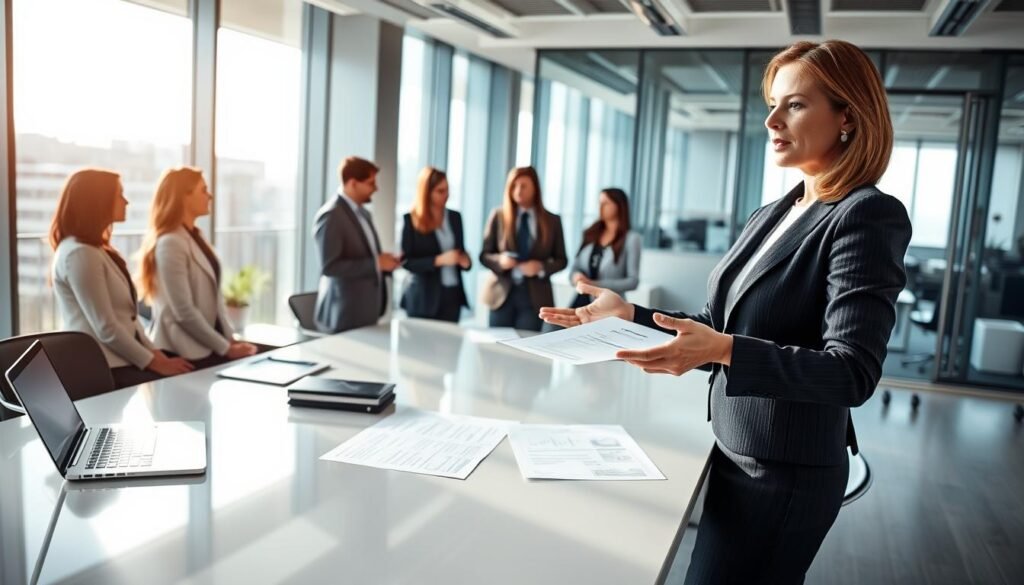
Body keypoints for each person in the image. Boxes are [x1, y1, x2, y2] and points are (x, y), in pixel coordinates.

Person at [541, 40, 912, 584]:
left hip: (784, 475)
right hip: (736, 453)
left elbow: (851, 371)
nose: (771, 119)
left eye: (795, 105)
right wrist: (627, 314)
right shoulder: (775, 212)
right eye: (772, 103)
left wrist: (726, 350)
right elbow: (717, 324)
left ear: (848, 118)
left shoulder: (867, 215)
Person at [49, 168, 193, 389]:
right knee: (182, 388)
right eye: (119, 194)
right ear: (98, 201)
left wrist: (157, 355)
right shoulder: (80, 254)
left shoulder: (94, 250)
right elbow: (106, 327)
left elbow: (129, 319)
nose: (126, 202)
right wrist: (155, 362)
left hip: (120, 361)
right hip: (104, 369)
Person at [139, 167, 257, 369]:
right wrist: (225, 347)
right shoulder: (171, 243)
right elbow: (183, 310)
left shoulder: (196, 236)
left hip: (205, 346)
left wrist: (230, 339)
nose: (209, 196)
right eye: (203, 190)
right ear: (183, 197)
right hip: (183, 350)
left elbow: (214, 299)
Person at [313, 156, 401, 333]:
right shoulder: (331, 215)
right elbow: (330, 267)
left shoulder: (364, 214)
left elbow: (367, 256)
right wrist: (376, 263)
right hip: (344, 313)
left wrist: (384, 263)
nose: (375, 188)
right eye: (370, 183)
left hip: (366, 312)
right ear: (352, 183)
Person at [480, 166, 567, 331]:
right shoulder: (498, 216)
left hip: (534, 297)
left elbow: (561, 259)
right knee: (497, 347)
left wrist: (540, 268)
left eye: (524, 185)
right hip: (502, 294)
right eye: (514, 186)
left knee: (526, 347)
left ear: (535, 188)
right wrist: (500, 261)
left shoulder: (552, 220)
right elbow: (484, 255)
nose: (518, 190)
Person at [400, 167, 471, 322]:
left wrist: (465, 261)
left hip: (452, 295)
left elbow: (461, 251)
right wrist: (439, 260)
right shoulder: (411, 220)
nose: (446, 195)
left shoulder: (455, 217)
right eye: (440, 191)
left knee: (451, 344)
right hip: (424, 297)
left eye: (447, 190)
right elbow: (406, 262)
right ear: (427, 193)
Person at [568, 188, 641, 308]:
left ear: (619, 206)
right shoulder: (590, 233)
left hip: (609, 304)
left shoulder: (632, 239)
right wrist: (576, 277)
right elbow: (574, 269)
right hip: (581, 300)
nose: (600, 207)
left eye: (606, 203)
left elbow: (633, 281)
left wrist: (594, 284)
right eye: (599, 203)